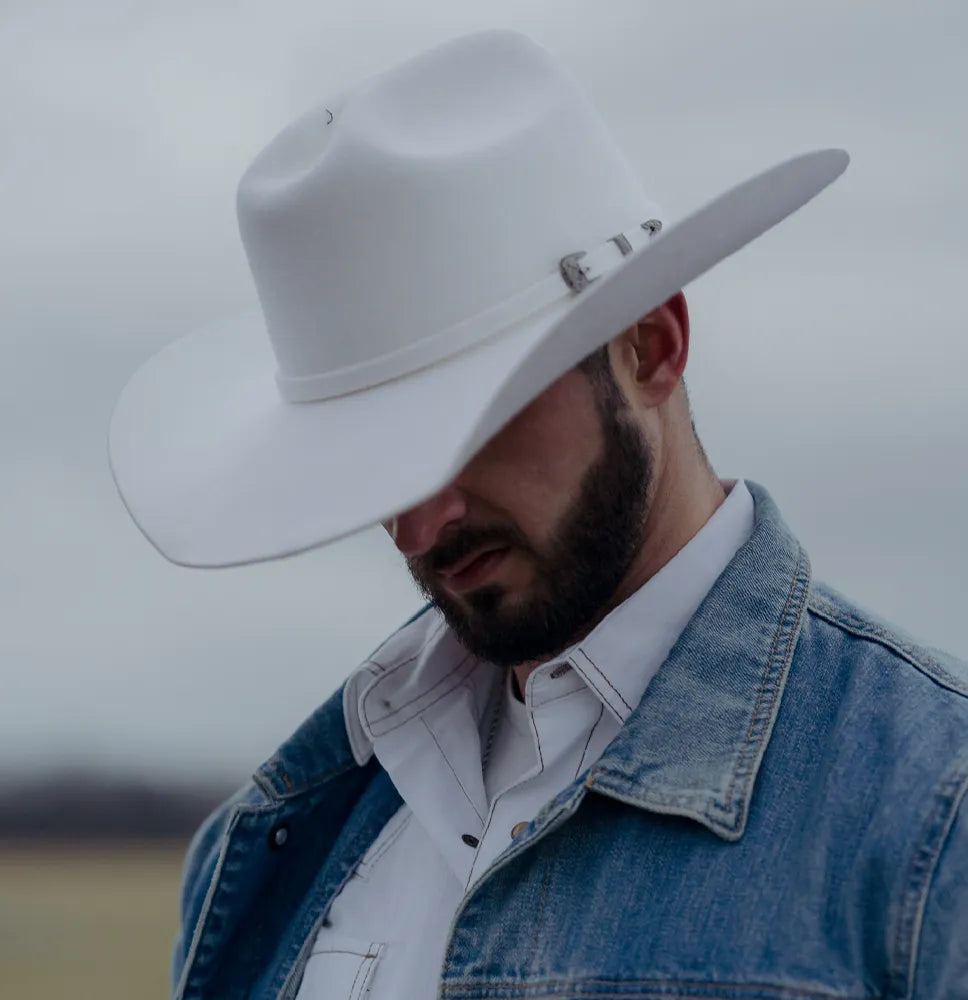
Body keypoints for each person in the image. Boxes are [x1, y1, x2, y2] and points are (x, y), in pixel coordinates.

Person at [108, 28, 968, 1000]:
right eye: (368, 467)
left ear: (649, 345)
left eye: (466, 428)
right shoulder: (272, 845)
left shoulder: (928, 813)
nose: (418, 524)